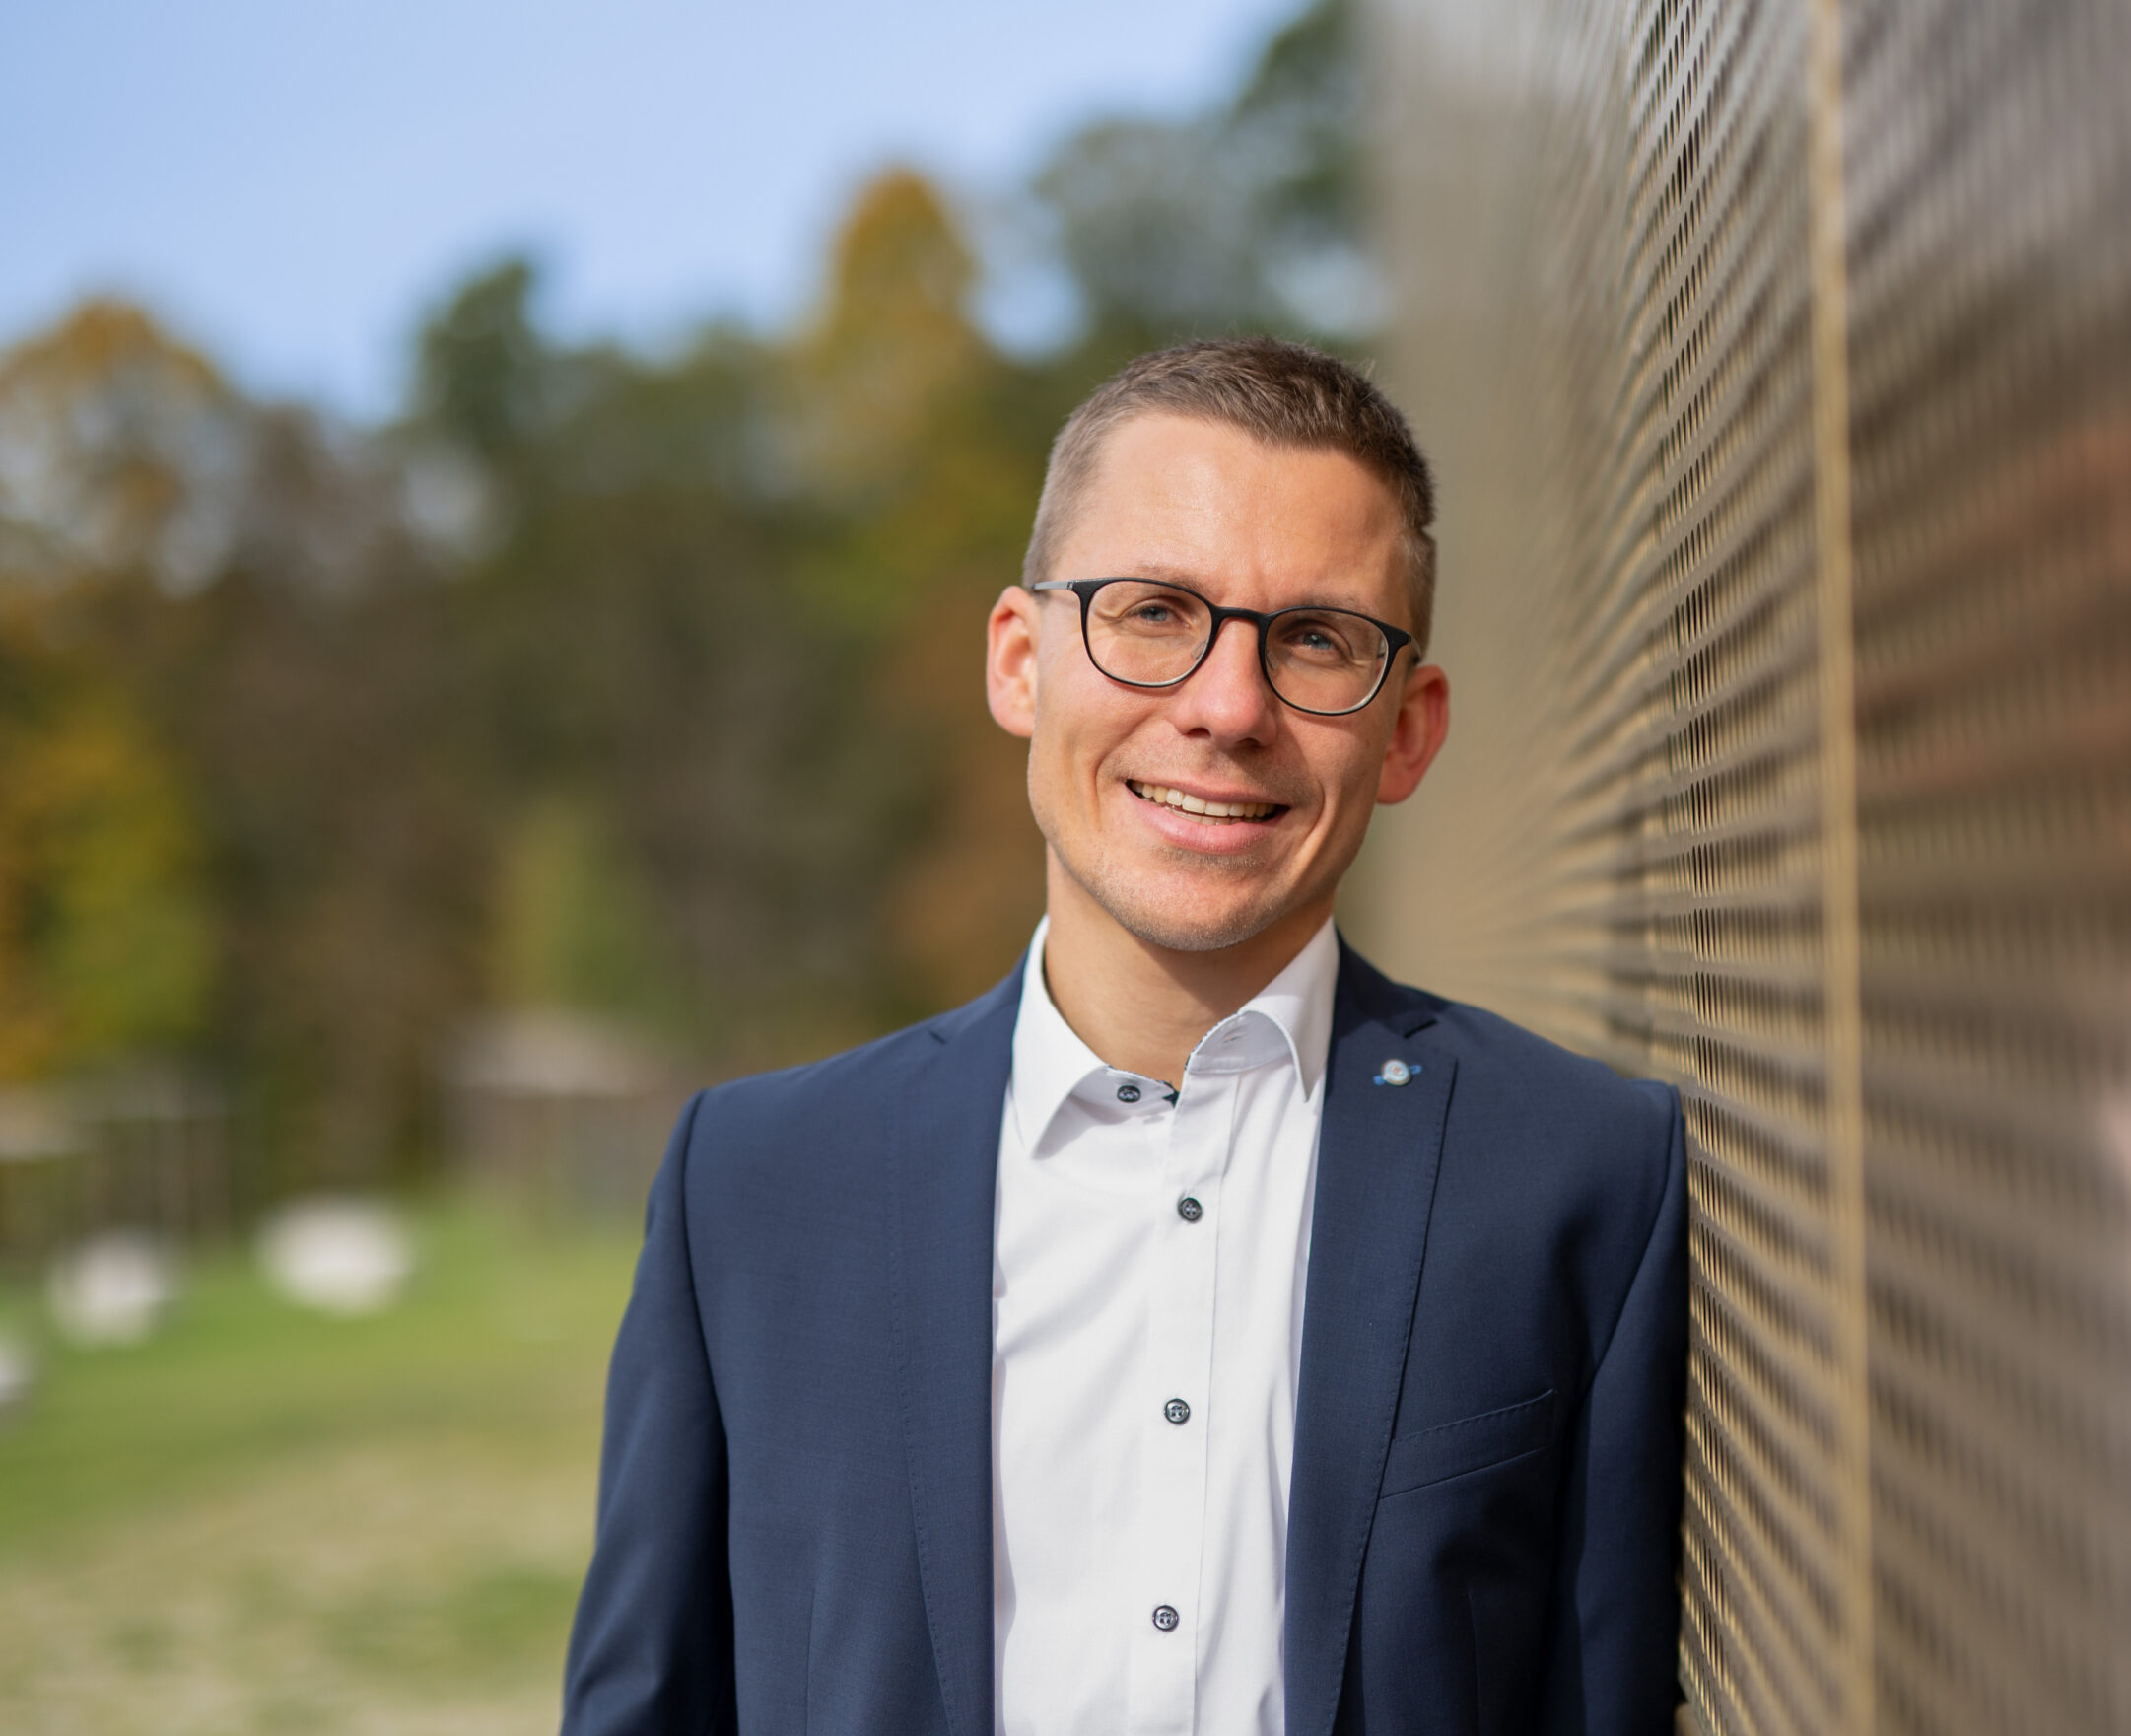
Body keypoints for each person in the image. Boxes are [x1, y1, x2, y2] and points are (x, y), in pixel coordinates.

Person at [559, 337, 1689, 1736]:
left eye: (1319, 639)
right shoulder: (752, 1184)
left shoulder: (1588, 1175)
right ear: (1022, 663)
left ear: (1408, 733)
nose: (1226, 706)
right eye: (1155, 611)